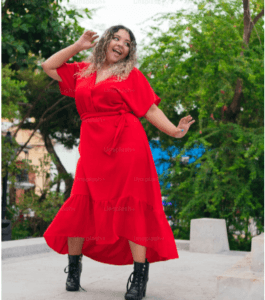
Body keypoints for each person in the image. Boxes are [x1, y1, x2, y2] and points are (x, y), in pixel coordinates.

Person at [42, 25, 195, 300]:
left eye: (126, 43)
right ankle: (74, 270)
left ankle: (139, 276)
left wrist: (174, 130)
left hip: (127, 144)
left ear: (129, 52)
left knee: (132, 204)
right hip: (92, 147)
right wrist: (78, 45)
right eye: (116, 38)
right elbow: (48, 66)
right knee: (81, 202)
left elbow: (149, 108)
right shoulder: (83, 71)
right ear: (106, 41)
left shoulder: (131, 75)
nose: (120, 44)